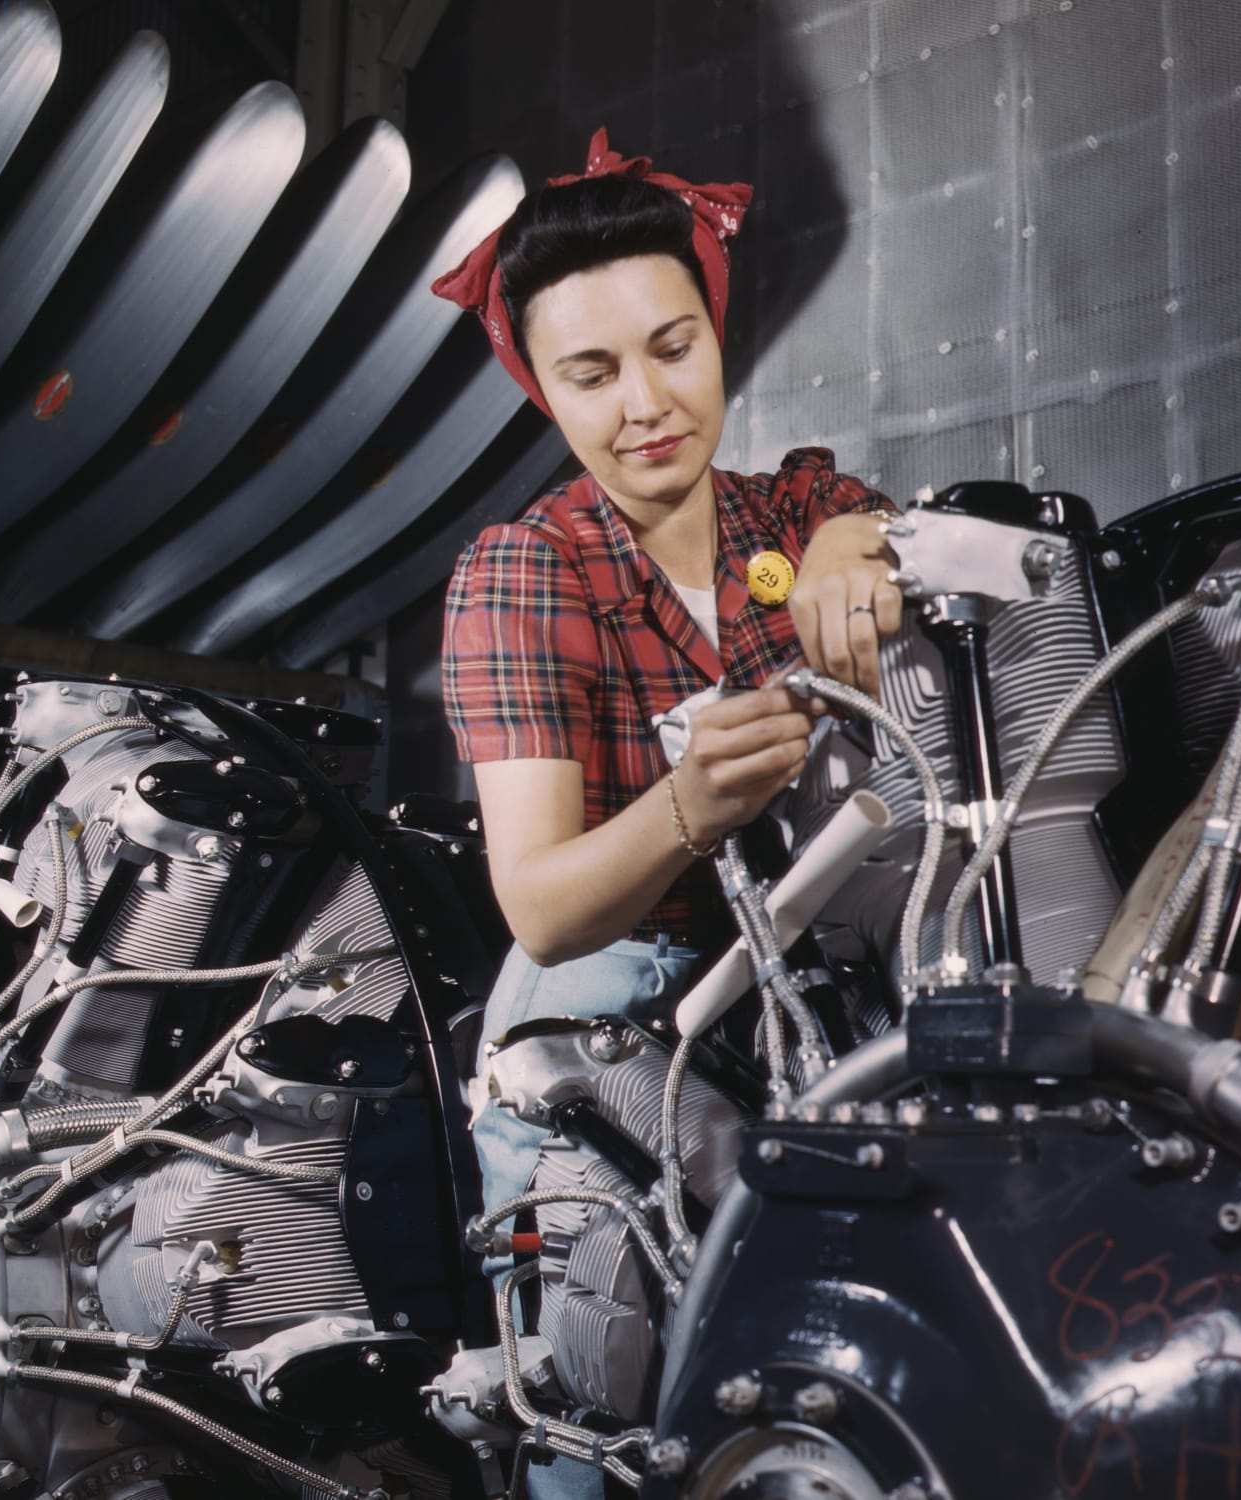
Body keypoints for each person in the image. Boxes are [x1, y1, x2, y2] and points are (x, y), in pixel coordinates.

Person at [432, 130, 899, 1495]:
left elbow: (884, 537)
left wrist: (856, 546)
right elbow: (545, 905)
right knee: (613, 1428)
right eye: (591, 373)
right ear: (541, 390)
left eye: (673, 347)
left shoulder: (803, 503)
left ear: (714, 329)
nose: (646, 403)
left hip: (805, 1023)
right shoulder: (528, 573)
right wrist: (690, 808)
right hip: (601, 1044)